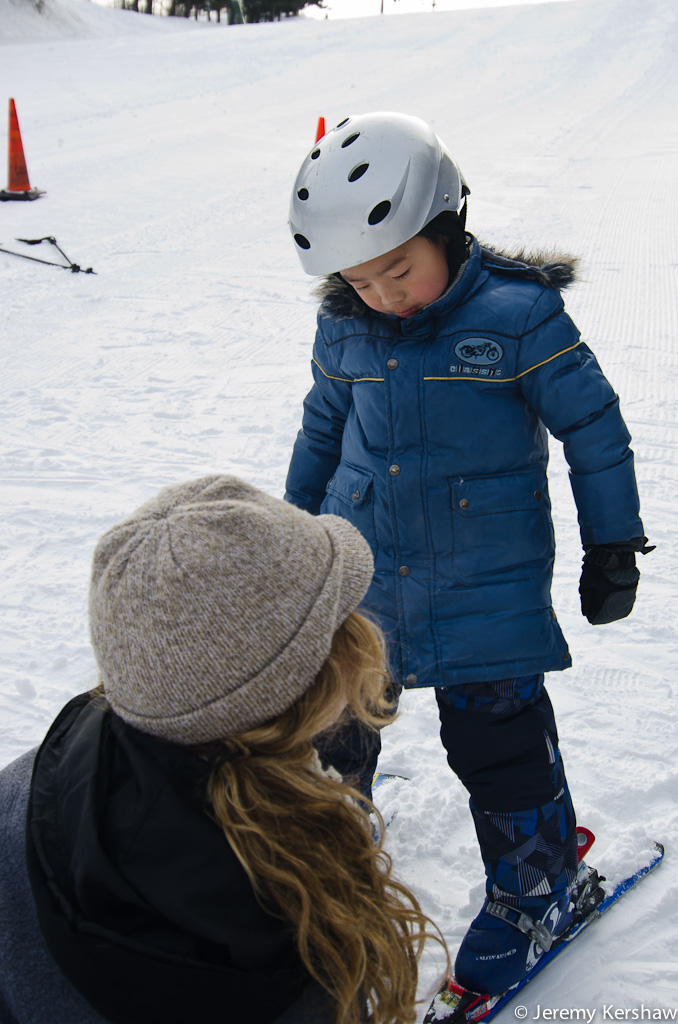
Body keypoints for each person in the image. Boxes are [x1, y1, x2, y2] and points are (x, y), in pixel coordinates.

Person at [284, 112, 653, 996]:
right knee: (333, 723)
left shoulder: (520, 316)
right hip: (366, 572)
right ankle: (328, 856)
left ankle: (538, 884)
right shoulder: (345, 328)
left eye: (399, 269)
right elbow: (322, 431)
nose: (383, 296)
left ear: (447, 226)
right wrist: (294, 541)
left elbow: (595, 431)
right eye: (360, 280)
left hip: (485, 579)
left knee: (498, 741)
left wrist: (612, 543)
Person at [0, 476, 446, 1024]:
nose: (364, 646)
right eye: (338, 627)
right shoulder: (296, 933)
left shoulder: (28, 784)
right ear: (298, 690)